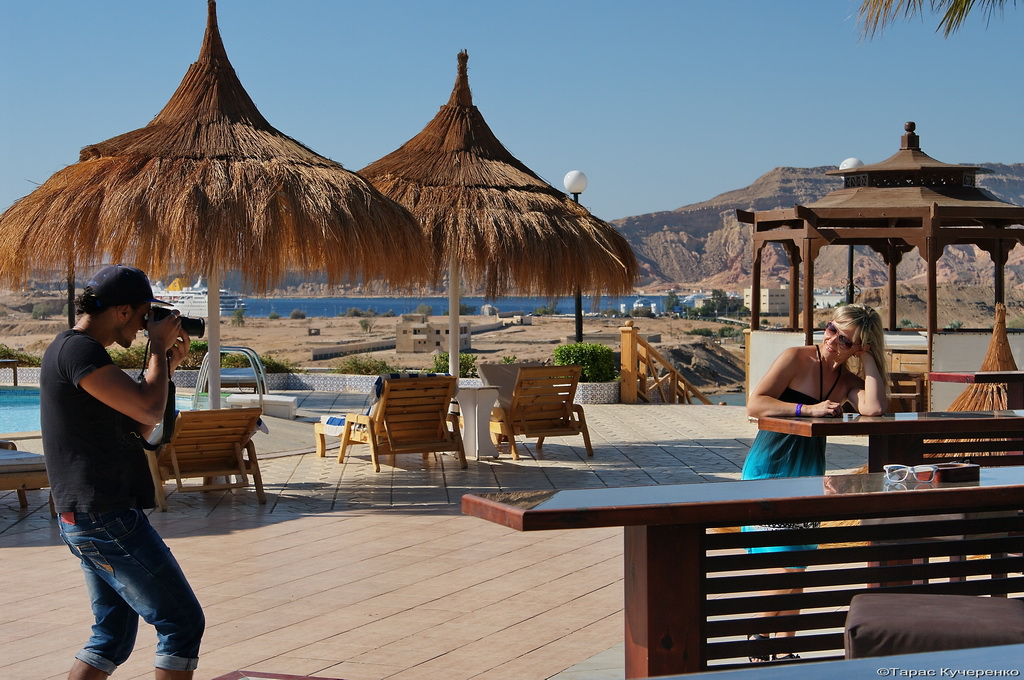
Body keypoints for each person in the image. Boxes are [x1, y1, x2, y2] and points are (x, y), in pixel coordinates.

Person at [40, 265, 202, 680]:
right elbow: (148, 409)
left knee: (111, 637)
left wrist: (165, 363)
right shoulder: (79, 352)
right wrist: (156, 348)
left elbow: (139, 425)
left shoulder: (79, 352)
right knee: (182, 624)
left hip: (93, 515)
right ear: (123, 311)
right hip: (104, 515)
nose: (148, 325)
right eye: (146, 315)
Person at [741, 303, 888, 662]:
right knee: (786, 563)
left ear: (859, 347)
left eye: (845, 339)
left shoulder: (847, 381)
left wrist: (869, 360)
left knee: (799, 562)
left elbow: (873, 408)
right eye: (831, 329)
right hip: (769, 470)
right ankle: (758, 635)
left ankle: (785, 649)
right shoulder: (796, 357)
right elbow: (755, 404)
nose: (832, 340)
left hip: (808, 475)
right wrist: (808, 409)